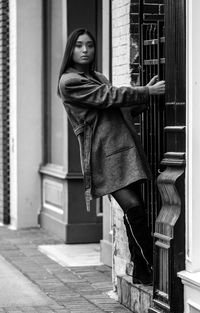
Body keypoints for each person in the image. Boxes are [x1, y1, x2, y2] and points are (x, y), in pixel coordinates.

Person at [58, 28, 165, 285]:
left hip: (124, 149)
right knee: (134, 207)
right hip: (102, 156)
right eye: (79, 45)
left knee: (134, 209)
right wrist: (144, 92)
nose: (85, 50)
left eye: (90, 45)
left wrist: (145, 96)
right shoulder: (69, 82)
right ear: (70, 50)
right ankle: (150, 265)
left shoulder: (97, 76)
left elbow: (119, 109)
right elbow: (107, 98)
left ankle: (141, 270)